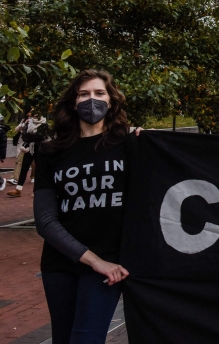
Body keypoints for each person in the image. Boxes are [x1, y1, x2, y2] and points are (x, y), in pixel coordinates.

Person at [33, 70, 133, 344]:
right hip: (61, 263)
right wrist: (93, 260)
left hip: (108, 265)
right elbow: (44, 220)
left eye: (99, 93)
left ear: (111, 101)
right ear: (74, 102)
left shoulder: (128, 145)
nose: (92, 100)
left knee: (85, 339)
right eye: (84, 94)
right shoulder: (51, 151)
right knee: (63, 339)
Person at [7, 109, 49, 198]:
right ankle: (18, 189)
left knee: (39, 170)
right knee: (24, 168)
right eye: (33, 112)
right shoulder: (28, 123)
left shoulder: (44, 124)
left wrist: (32, 137)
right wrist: (32, 137)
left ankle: (37, 190)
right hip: (28, 148)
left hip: (40, 148)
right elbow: (25, 135)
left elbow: (40, 136)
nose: (35, 114)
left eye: (37, 112)